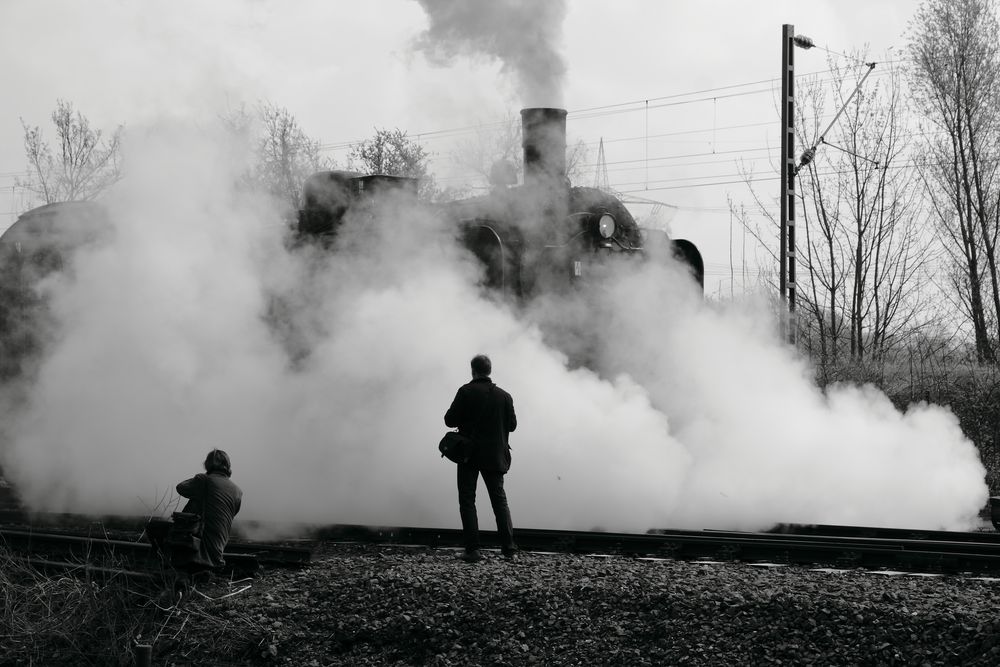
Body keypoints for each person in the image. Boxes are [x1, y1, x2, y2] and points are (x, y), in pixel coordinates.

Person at [444, 354, 518, 562]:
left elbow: (449, 421)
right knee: (499, 501)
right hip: (495, 455)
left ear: (473, 370)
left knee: (467, 500)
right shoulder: (505, 396)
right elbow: (512, 425)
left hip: (469, 454)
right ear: (489, 370)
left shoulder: (465, 392)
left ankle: (473, 550)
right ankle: (509, 550)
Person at [176, 448, 243, 571]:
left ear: (207, 465)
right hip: (217, 554)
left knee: (155, 528)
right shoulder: (237, 491)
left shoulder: (204, 480)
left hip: (197, 553)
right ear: (228, 466)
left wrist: (202, 477)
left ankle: (173, 565)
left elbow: (181, 488)